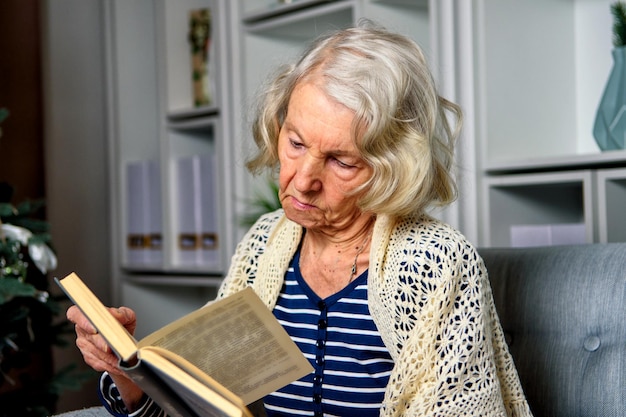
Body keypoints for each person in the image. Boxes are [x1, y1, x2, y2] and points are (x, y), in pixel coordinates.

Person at [67, 20, 532, 417]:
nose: (302, 179)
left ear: (394, 167)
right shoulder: (264, 243)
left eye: (341, 161)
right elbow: (201, 406)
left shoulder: (438, 263)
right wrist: (127, 373)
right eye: (295, 142)